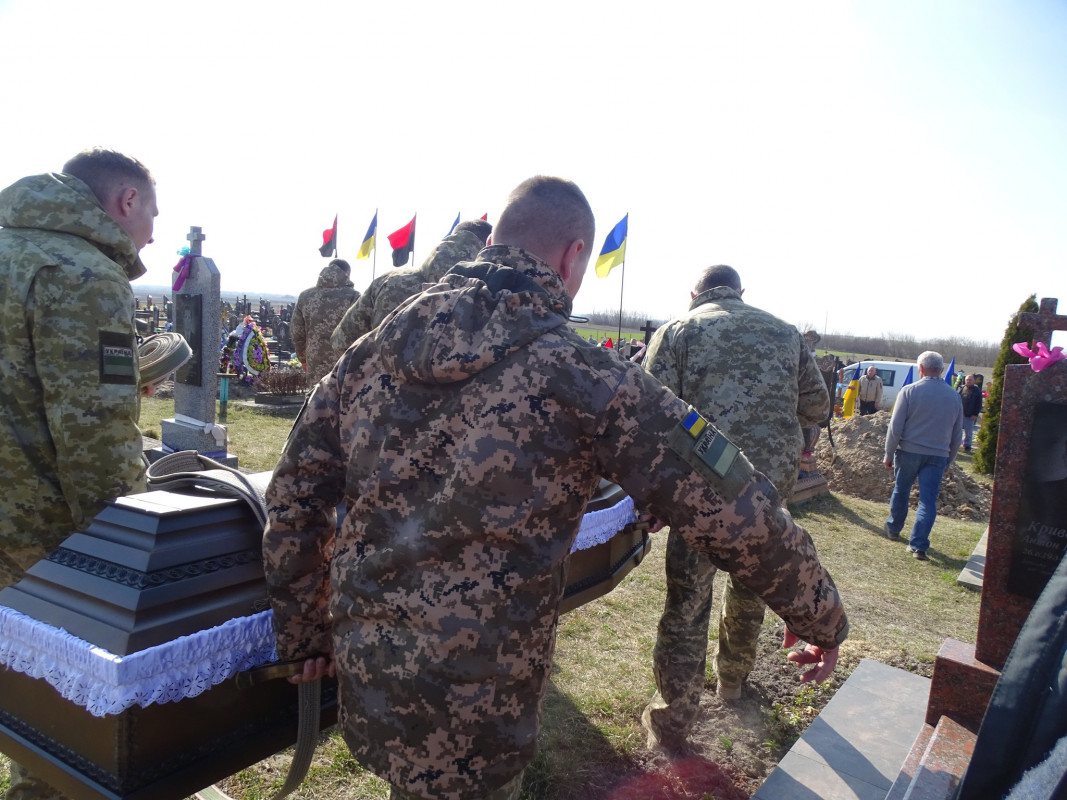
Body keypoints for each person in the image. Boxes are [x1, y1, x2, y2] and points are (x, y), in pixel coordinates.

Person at [262, 176, 848, 800]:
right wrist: (821, 614)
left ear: (494, 241)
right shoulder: (586, 376)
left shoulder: (370, 352)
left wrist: (304, 635)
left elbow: (294, 495)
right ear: (574, 255)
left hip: (372, 674)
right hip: (479, 705)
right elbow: (729, 498)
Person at [0, 147, 158, 799]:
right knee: (72, 705)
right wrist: (121, 554)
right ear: (125, 201)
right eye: (153, 212)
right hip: (49, 531)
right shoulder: (83, 273)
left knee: (19, 673)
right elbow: (92, 433)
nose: (153, 232)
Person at [640, 264, 831, 749]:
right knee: (751, 588)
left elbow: (647, 410)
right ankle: (732, 682)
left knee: (687, 602)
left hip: (699, 488)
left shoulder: (678, 331)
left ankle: (674, 717)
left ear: (693, 294)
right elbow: (817, 408)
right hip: (768, 487)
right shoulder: (785, 333)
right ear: (742, 293)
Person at [330, 220, 491, 354]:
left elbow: (341, 341)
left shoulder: (388, 281)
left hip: (380, 389)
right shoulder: (495, 294)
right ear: (489, 244)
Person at [882, 351, 963, 560]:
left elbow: (895, 427)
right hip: (938, 455)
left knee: (901, 489)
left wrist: (888, 453)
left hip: (908, 451)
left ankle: (894, 528)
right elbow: (957, 433)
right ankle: (918, 545)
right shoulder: (954, 396)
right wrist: (950, 460)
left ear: (920, 368)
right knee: (928, 501)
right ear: (942, 370)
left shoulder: (909, 391)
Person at [291, 258, 359, 384]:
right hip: (344, 365)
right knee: (342, 402)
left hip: (315, 364)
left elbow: (297, 333)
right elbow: (361, 332)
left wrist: (303, 359)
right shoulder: (354, 297)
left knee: (316, 401)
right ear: (347, 273)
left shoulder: (305, 296)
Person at [958, 373, 983, 453]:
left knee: (968, 432)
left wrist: (975, 414)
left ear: (974, 381)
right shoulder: (962, 388)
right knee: (957, 431)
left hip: (970, 415)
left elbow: (979, 404)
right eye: (967, 380)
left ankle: (967, 446)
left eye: (970, 380)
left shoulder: (977, 391)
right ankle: (956, 445)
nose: (968, 381)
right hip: (959, 414)